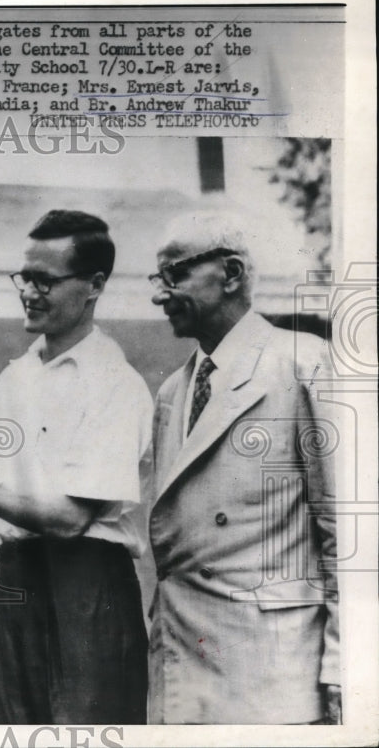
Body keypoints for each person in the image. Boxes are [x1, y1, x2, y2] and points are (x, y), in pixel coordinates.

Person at [0, 210, 151, 724]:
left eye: (45, 280)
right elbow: (1, 508)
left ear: (94, 286)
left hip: (87, 586)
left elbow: (68, 520)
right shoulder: (12, 380)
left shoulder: (115, 382)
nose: (29, 292)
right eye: (25, 277)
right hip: (16, 579)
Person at [146, 213, 340, 724]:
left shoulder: (303, 365)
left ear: (230, 273)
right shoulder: (171, 393)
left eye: (173, 275)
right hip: (185, 676)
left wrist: (345, 667)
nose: (159, 295)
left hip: (273, 683)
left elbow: (349, 530)